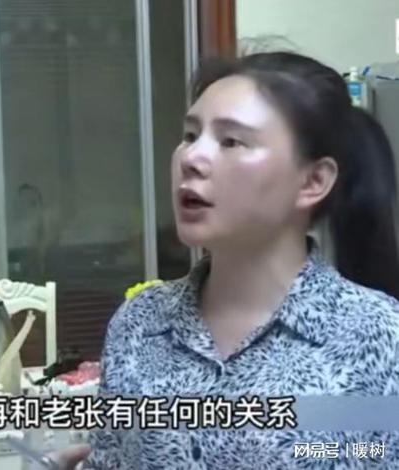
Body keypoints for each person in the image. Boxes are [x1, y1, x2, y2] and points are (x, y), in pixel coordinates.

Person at [51, 51, 399, 469]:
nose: (190, 158)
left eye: (231, 141)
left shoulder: (378, 337)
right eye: (190, 135)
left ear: (312, 181)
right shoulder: (139, 324)